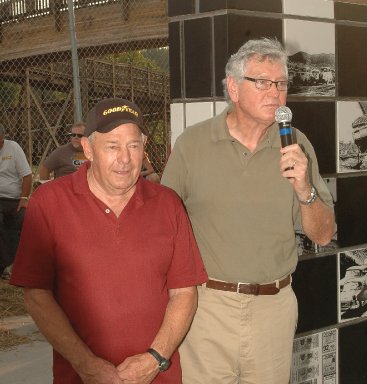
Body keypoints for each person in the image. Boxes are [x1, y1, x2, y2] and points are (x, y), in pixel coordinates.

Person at [161, 38, 336, 384]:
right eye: (262, 82)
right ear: (233, 88)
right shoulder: (192, 144)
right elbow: (163, 224)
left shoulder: (297, 146)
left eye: (281, 84)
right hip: (207, 307)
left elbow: (324, 234)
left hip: (273, 308)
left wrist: (305, 189)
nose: (275, 92)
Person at [10, 97, 208, 384]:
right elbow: (37, 295)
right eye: (113, 146)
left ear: (144, 147)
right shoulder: (50, 203)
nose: (125, 159)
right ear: (88, 149)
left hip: (156, 376)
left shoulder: (167, 204)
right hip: (79, 376)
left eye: (133, 145)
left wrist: (155, 358)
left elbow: (184, 292)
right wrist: (86, 365)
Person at [0, 125, 32, 279]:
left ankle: (8, 264)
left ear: (2, 137)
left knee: (19, 221)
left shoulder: (13, 148)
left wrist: (24, 199)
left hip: (14, 199)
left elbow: (27, 175)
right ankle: (7, 265)